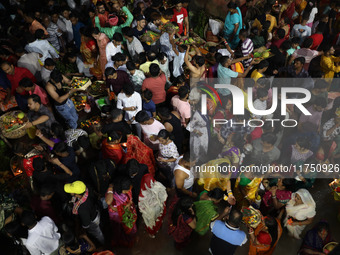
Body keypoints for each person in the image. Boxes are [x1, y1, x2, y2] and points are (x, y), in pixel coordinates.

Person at [105, 177, 137, 247]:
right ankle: (123, 242)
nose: (127, 192)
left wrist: (129, 203)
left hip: (126, 210)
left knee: (129, 227)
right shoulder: (113, 195)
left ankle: (130, 239)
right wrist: (125, 208)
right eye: (125, 191)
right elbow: (113, 207)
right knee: (119, 229)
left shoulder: (128, 187)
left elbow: (130, 198)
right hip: (116, 215)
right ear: (120, 189)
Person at [138, 173, 167, 238]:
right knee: (158, 219)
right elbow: (164, 197)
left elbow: (141, 205)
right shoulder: (158, 185)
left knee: (151, 222)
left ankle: (152, 232)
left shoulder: (142, 192)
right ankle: (157, 228)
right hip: (158, 209)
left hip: (150, 212)